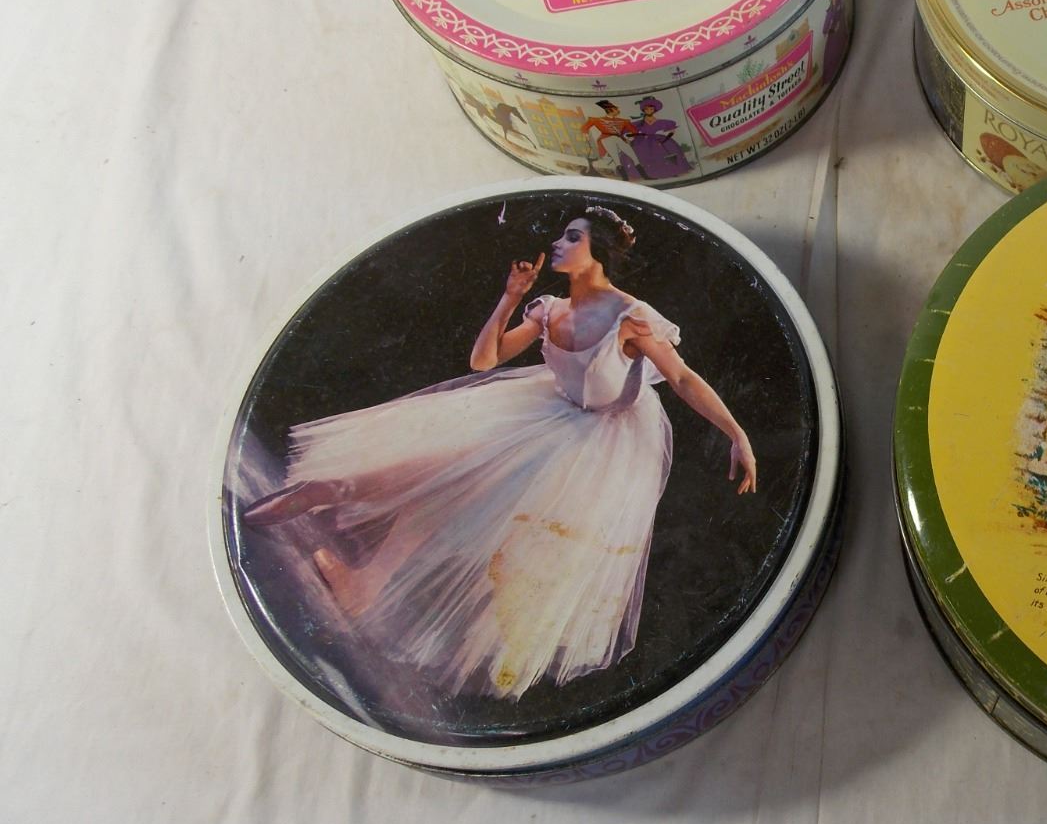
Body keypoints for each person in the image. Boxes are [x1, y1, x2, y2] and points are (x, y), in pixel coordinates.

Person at [241, 206, 756, 700]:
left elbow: (682, 378)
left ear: (597, 251)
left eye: (572, 237)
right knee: (442, 473)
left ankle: (359, 556)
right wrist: (511, 298)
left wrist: (737, 434)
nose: (558, 243)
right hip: (545, 411)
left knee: (463, 503)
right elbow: (483, 361)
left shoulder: (630, 318)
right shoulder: (549, 309)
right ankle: (339, 518)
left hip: (595, 444)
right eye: (562, 235)